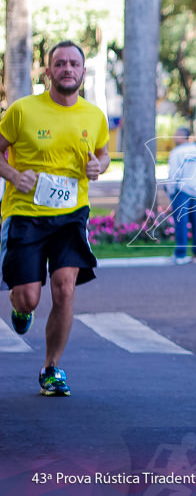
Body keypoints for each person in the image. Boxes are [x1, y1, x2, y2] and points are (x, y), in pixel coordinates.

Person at [0, 40, 110, 396]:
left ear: (81, 71)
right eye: (60, 63)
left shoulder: (94, 116)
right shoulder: (22, 111)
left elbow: (103, 155)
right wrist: (15, 176)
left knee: (64, 288)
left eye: (73, 64)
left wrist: (99, 166)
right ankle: (21, 308)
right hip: (26, 215)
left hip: (70, 216)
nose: (67, 69)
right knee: (29, 297)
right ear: (48, 71)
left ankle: (51, 368)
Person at [166, 126, 196, 264]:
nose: (174, 137)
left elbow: (173, 174)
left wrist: (171, 190)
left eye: (176, 134)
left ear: (183, 136)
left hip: (181, 190)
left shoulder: (177, 153)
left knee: (181, 223)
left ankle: (180, 254)